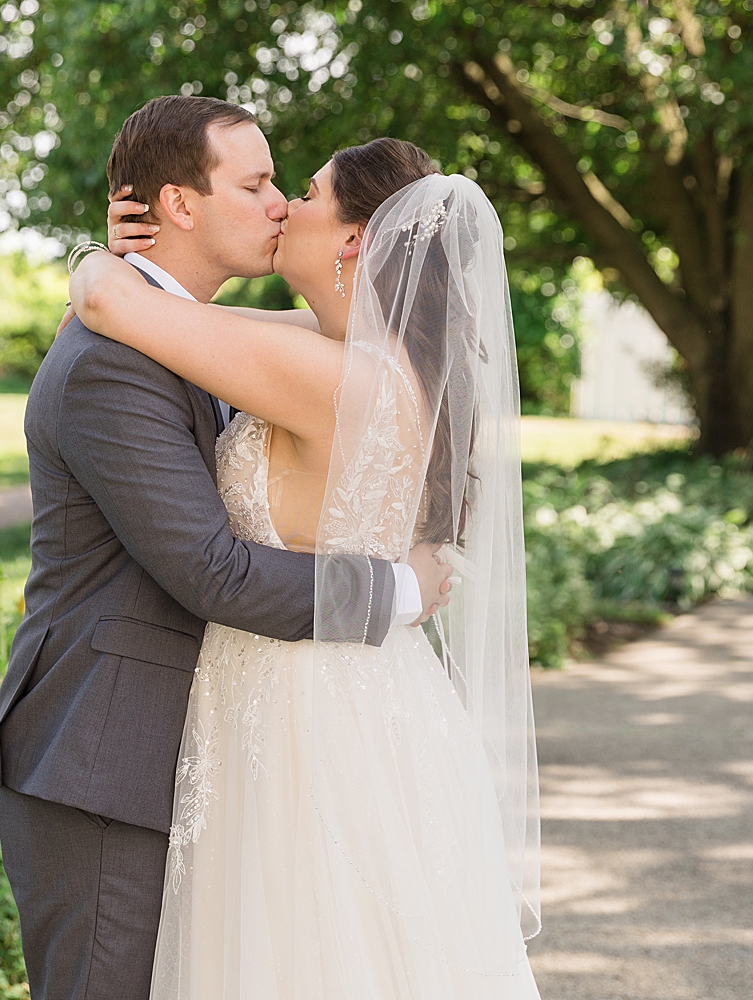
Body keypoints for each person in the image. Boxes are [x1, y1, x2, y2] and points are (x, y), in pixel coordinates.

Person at [0, 97, 455, 1000]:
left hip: (251, 737)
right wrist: (396, 592)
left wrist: (100, 271)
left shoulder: (225, 342)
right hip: (105, 755)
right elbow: (212, 568)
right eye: (256, 183)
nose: (281, 202)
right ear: (179, 205)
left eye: (291, 186)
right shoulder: (118, 355)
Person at [68, 136, 541, 998]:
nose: (286, 204)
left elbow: (106, 303)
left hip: (295, 705)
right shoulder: (383, 358)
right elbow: (202, 319)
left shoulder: (325, 375)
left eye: (310, 192)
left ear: (356, 239)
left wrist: (104, 258)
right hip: (376, 692)